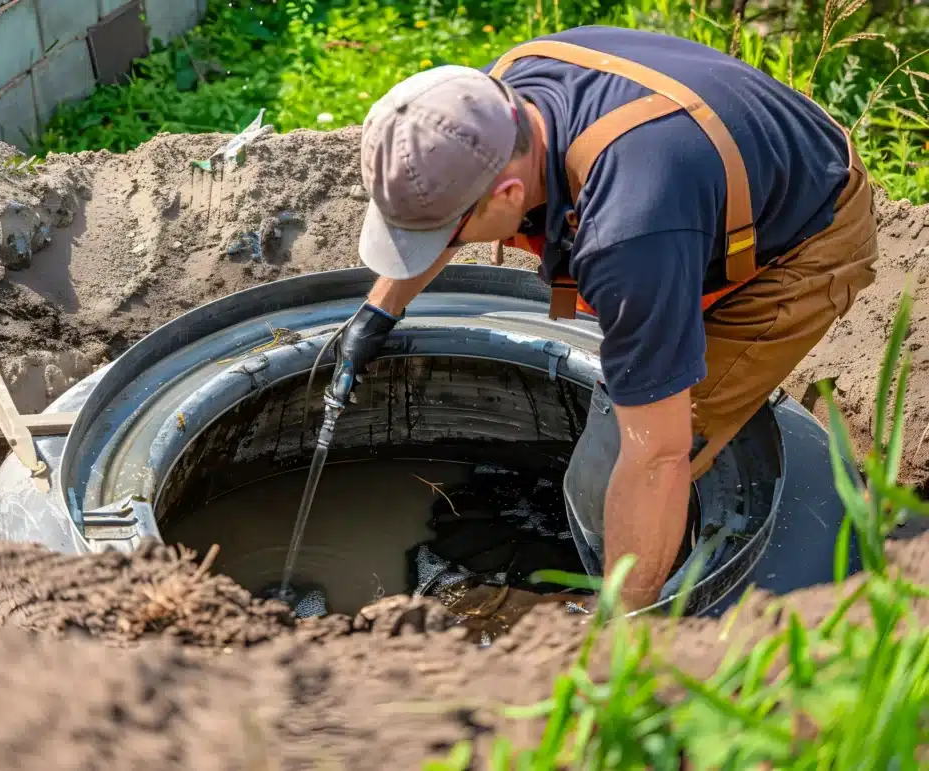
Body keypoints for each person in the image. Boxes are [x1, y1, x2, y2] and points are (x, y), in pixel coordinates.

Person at [328, 25, 879, 611]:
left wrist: (618, 633)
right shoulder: (480, 112)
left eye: (444, 234)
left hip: (803, 231)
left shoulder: (629, 232)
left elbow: (657, 455)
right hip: (705, 186)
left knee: (616, 465)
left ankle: (646, 601)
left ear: (511, 194)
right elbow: (450, 207)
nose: (437, 245)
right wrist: (379, 310)